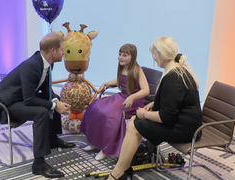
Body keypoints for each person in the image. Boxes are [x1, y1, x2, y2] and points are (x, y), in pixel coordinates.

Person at [106, 37, 202, 180]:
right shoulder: (179, 70)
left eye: (155, 55)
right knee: (134, 121)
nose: (154, 59)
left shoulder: (173, 78)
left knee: (135, 123)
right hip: (184, 123)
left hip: (185, 130)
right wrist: (153, 104)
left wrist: (144, 114)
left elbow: (166, 117)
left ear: (162, 56)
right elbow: (174, 103)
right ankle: (123, 169)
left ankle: (118, 173)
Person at [0, 33, 76, 178]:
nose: (64, 53)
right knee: (41, 112)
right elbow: (29, 100)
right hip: (5, 105)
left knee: (54, 99)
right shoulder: (31, 66)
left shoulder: (48, 63)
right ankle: (38, 164)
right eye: (62, 49)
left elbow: (46, 89)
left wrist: (56, 102)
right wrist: (54, 106)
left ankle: (52, 139)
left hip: (21, 98)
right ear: (53, 50)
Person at [80, 43, 150, 161]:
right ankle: (94, 142)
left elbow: (146, 90)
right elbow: (121, 80)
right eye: (120, 54)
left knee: (109, 115)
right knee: (95, 107)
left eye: (124, 55)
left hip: (133, 101)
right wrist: (106, 83)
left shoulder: (137, 70)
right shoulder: (123, 67)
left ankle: (107, 149)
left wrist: (132, 97)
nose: (120, 57)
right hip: (122, 97)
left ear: (132, 57)